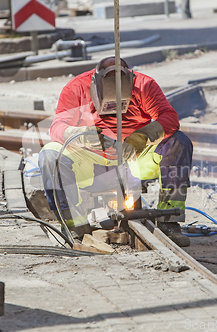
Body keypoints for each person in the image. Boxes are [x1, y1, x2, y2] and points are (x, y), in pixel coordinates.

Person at [38, 56, 193, 247]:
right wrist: (76, 134)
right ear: (95, 87)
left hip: (133, 160)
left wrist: (142, 137)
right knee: (50, 155)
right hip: (91, 161)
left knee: (178, 142)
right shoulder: (76, 87)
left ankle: (170, 220)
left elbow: (169, 118)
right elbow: (57, 127)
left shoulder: (144, 86)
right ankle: (72, 224)